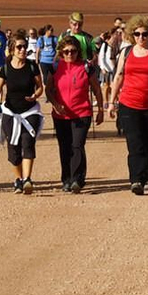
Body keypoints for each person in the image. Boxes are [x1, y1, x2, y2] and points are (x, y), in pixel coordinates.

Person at [107, 16, 148, 195]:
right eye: (137, 34)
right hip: (129, 104)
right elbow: (118, 76)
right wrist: (111, 102)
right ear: (131, 34)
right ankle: (136, 180)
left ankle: (145, 176)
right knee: (135, 143)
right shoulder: (126, 52)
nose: (141, 37)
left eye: (145, 34)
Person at [46, 35, 103, 192]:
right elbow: (48, 90)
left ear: (78, 51)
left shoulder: (86, 67)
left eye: (73, 51)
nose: (70, 54)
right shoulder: (55, 67)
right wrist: (55, 104)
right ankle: (66, 179)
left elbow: (97, 89)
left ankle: (77, 179)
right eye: (66, 51)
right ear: (61, 52)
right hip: (61, 115)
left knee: (77, 146)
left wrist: (100, 110)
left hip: (82, 113)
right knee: (65, 147)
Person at [0, 33, 44, 194]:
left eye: (24, 46)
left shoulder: (32, 66)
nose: (23, 50)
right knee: (13, 149)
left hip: (30, 112)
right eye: (19, 47)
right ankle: (18, 179)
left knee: (28, 143)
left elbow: (40, 87)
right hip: (10, 113)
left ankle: (27, 179)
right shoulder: (6, 68)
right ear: (12, 49)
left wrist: (35, 96)